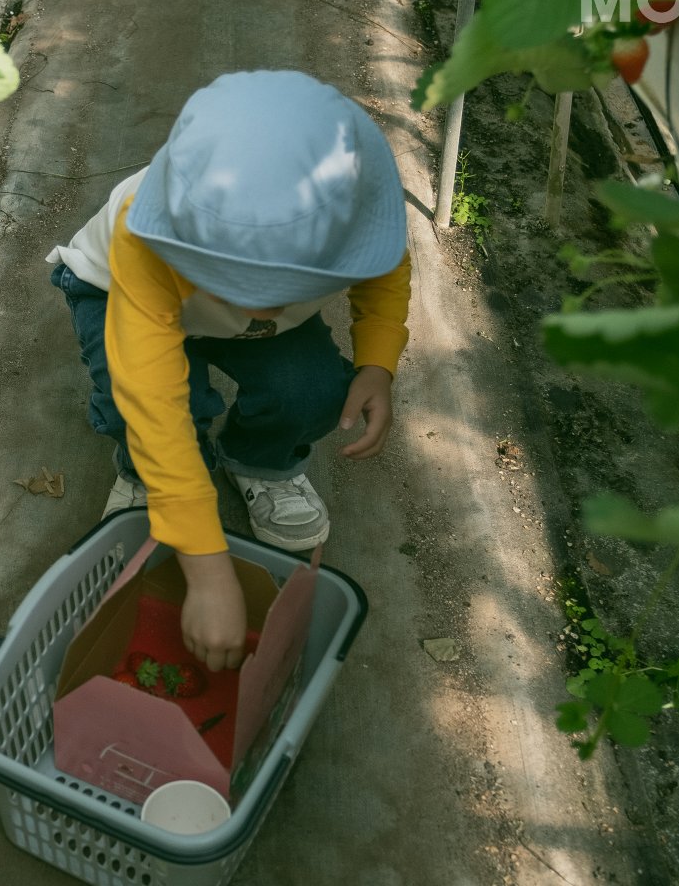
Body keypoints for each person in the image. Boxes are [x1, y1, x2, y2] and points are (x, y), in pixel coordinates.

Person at [46, 71, 411, 672]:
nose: (257, 305)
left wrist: (377, 361)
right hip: (117, 294)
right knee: (142, 407)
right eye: (236, 281)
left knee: (314, 391)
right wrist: (208, 568)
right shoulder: (145, 237)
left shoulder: (357, 207)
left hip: (209, 308)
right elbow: (153, 399)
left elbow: (386, 271)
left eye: (283, 286)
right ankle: (145, 477)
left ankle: (260, 463)